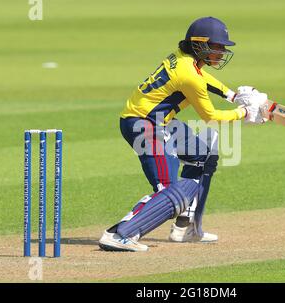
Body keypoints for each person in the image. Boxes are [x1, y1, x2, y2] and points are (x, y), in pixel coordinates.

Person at [99, 16, 270, 252]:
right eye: (217, 47)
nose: (221, 52)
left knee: (204, 156)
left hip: (158, 121)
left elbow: (202, 78)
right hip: (143, 126)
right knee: (168, 190)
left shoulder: (184, 60)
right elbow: (210, 116)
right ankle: (119, 233)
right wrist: (243, 113)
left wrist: (232, 95)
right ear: (200, 45)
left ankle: (186, 228)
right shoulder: (188, 75)